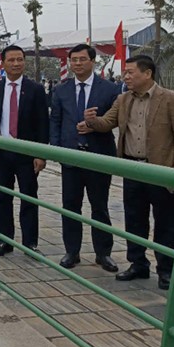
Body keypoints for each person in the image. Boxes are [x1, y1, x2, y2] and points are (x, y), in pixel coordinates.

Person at [84, 55, 174, 290]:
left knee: (165, 223)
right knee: (134, 220)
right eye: (125, 73)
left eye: (131, 72)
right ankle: (137, 263)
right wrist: (92, 121)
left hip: (161, 172)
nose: (126, 77)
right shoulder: (123, 100)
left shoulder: (172, 100)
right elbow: (107, 123)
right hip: (132, 169)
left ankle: (166, 270)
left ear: (147, 73)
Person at [50, 44, 120, 273]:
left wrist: (96, 126)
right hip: (71, 158)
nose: (77, 64)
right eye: (74, 60)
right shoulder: (61, 90)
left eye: (82, 59)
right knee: (71, 206)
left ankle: (103, 253)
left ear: (92, 61)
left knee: (99, 207)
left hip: (99, 156)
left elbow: (115, 120)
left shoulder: (109, 89)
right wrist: (57, 149)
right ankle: (72, 251)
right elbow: (56, 122)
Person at [0, 45, 49, 256]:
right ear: (3, 63)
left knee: (28, 197)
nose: (16, 64)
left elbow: (42, 124)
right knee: (2, 198)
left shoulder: (35, 89)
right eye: (11, 60)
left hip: (27, 154)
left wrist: (41, 153)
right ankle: (5, 241)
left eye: (20, 60)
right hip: (1, 153)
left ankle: (30, 243)